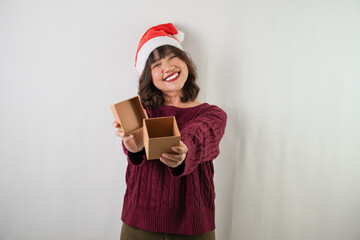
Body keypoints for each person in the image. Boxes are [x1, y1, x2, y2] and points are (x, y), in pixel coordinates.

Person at [113, 23, 227, 240]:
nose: (167, 67)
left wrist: (182, 150)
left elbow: (198, 134)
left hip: (193, 226)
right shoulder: (142, 112)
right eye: (156, 64)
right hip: (139, 223)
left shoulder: (213, 114)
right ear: (149, 77)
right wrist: (135, 147)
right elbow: (133, 149)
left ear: (185, 62)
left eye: (172, 57)